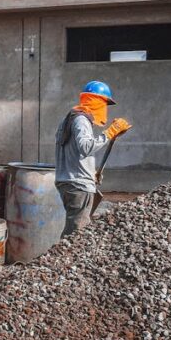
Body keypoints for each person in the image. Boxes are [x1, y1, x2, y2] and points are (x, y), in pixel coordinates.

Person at [54, 80, 132, 236]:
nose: (104, 109)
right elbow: (86, 147)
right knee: (77, 233)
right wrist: (109, 133)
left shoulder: (69, 119)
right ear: (96, 101)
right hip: (79, 185)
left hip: (69, 181)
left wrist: (91, 171)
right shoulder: (81, 120)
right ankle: (66, 259)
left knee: (74, 229)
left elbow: (74, 152)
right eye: (104, 104)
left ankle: (63, 257)